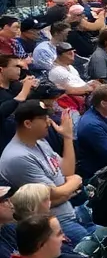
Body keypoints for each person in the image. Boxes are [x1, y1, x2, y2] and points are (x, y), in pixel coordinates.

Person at [0, 101, 89, 245]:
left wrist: (67, 137)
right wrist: (74, 182)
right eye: (43, 118)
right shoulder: (17, 157)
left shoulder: (40, 142)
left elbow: (67, 171)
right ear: (28, 123)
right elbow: (50, 194)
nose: (49, 122)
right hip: (54, 224)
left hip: (71, 211)